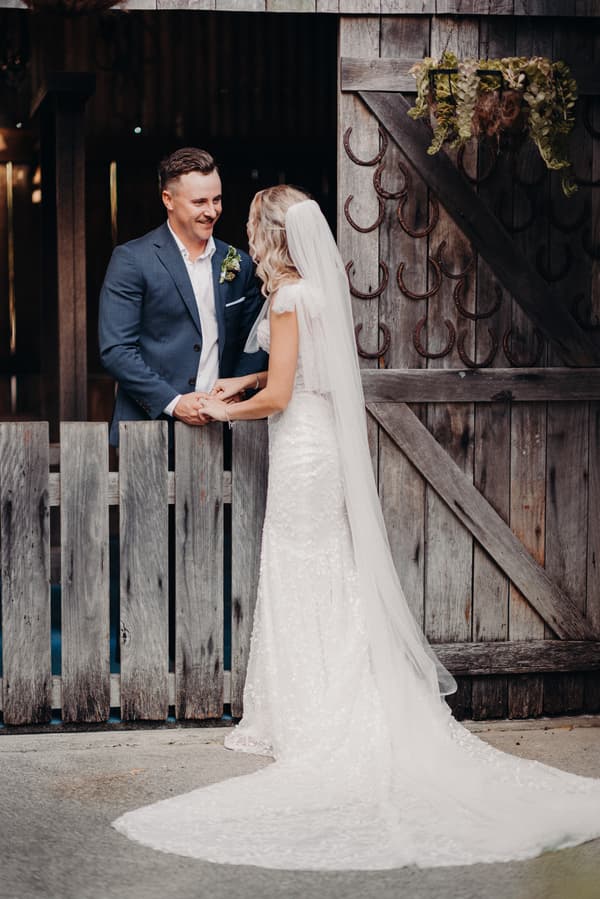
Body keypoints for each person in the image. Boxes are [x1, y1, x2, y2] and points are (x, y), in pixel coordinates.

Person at [112, 187, 600, 870]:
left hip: (300, 453)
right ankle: (325, 697)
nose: (245, 236)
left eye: (251, 224)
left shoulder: (285, 299)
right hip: (321, 449)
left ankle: (310, 714)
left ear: (269, 235)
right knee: (326, 571)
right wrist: (240, 387)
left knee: (299, 566)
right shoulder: (314, 293)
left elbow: (283, 392)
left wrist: (222, 409)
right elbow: (298, 378)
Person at [98, 147, 267, 447]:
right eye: (199, 202)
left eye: (216, 200)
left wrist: (235, 392)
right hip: (148, 432)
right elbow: (116, 350)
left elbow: (255, 340)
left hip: (224, 429)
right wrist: (174, 402)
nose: (211, 211)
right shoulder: (132, 260)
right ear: (168, 200)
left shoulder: (237, 262)